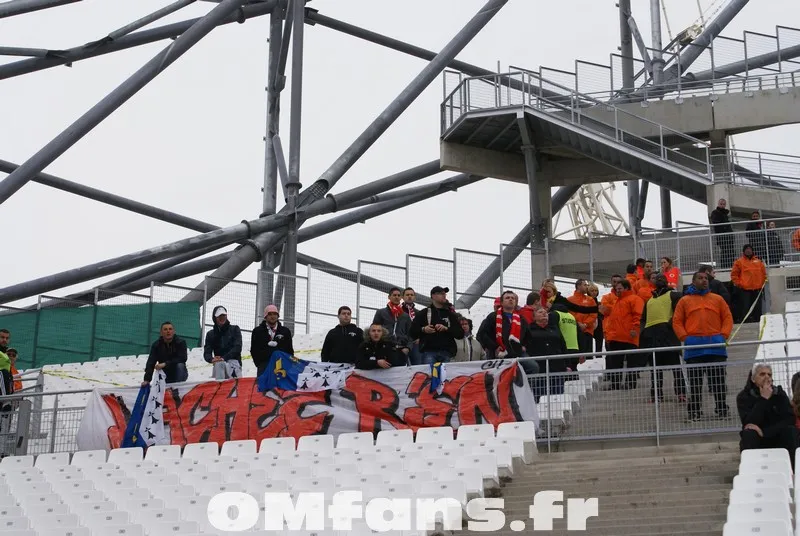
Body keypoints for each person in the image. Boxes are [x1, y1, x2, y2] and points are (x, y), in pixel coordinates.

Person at [672, 271, 733, 421]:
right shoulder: (684, 301)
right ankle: (695, 411)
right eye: (700, 278)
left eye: (706, 278)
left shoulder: (717, 299)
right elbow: (677, 321)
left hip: (716, 347)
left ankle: (721, 408)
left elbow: (727, 317)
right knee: (695, 383)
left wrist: (723, 335)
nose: (704, 280)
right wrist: (685, 337)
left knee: (718, 381)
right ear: (693, 281)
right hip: (694, 349)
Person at [737, 362, 797, 468]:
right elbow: (749, 422)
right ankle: (750, 470)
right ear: (753, 379)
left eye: (769, 375)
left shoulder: (779, 394)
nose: (766, 377)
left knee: (791, 431)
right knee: (749, 434)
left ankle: (794, 471)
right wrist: (763, 399)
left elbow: (789, 419)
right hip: (757, 439)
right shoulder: (744, 397)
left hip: (776, 435)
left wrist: (765, 432)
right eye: (762, 374)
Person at [639, 275, 686, 403]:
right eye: (656, 278)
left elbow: (679, 311)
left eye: (662, 278)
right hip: (652, 337)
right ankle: (656, 395)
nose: (659, 280)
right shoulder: (649, 301)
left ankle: (681, 393)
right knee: (655, 368)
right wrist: (643, 332)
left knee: (676, 367)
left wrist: (670, 325)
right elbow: (643, 319)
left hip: (668, 335)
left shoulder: (673, 295)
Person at [604, 279, 644, 390]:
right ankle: (616, 384)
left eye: (620, 289)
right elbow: (612, 321)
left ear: (626, 288)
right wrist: (609, 335)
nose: (617, 291)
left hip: (629, 336)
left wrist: (635, 329)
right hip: (616, 337)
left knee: (631, 361)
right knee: (616, 362)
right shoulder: (618, 301)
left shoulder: (634, 299)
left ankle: (630, 383)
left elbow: (637, 315)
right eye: (616, 289)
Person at [409, 286, 464, 365]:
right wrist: (424, 329)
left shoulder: (451, 315)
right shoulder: (423, 313)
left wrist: (446, 329)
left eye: (444, 294)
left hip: (447, 352)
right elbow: (412, 332)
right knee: (429, 376)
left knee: (446, 376)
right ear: (433, 296)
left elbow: (460, 334)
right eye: (441, 293)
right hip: (429, 352)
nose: (444, 295)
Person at [477, 291, 533, 360]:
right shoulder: (493, 316)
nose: (510, 299)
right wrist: (494, 347)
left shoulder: (521, 319)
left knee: (533, 366)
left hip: (517, 354)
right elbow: (483, 334)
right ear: (502, 303)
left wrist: (524, 346)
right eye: (507, 298)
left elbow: (528, 336)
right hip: (498, 354)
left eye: (513, 298)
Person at [527, 303, 567, 399]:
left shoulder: (555, 328)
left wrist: (567, 365)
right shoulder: (528, 330)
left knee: (557, 397)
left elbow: (563, 346)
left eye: (546, 312)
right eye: (540, 312)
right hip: (539, 369)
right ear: (534, 316)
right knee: (539, 396)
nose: (544, 314)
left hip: (557, 368)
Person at [251, 305, 294, 377]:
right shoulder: (257, 331)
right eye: (270, 314)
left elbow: (289, 350)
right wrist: (260, 364)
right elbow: (254, 350)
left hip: (282, 366)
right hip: (264, 366)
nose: (272, 316)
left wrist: (287, 365)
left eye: (275, 314)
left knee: (280, 388)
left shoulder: (285, 331)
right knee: (264, 388)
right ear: (265, 316)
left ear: (278, 316)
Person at [372, 287, 413, 360]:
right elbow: (373, 329)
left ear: (401, 298)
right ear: (389, 297)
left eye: (398, 295)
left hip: (401, 349)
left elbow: (410, 334)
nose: (396, 297)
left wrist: (408, 348)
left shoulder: (405, 316)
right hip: (384, 348)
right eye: (394, 295)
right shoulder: (381, 312)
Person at [731, 244, 767, 324]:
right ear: (743, 251)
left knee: (758, 307)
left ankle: (758, 321)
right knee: (745, 307)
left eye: (750, 249)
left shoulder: (758, 262)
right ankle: (745, 322)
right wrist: (740, 284)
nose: (748, 250)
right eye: (746, 249)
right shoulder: (739, 262)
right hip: (745, 289)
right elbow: (734, 275)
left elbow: (764, 274)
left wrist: (762, 283)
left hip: (757, 289)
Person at [204, 306, 243, 379]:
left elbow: (237, 348)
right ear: (215, 318)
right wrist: (212, 359)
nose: (222, 318)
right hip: (219, 365)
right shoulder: (210, 334)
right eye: (219, 316)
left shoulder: (235, 329)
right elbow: (207, 352)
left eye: (224, 315)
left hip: (234, 363)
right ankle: (220, 388)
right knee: (219, 364)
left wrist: (224, 358)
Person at [567, 279, 597, 357]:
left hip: (587, 331)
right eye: (585, 285)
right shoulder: (569, 300)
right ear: (578, 286)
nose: (587, 287)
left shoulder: (590, 300)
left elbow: (593, 314)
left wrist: (586, 324)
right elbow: (569, 314)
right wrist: (578, 324)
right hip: (574, 332)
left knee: (588, 357)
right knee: (576, 356)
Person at [709, 198, 735, 269]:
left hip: (728, 236)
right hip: (722, 236)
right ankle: (725, 267)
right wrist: (724, 228)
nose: (722, 205)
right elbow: (716, 223)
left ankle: (730, 267)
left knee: (730, 252)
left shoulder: (725, 214)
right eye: (721, 204)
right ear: (718, 204)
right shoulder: (715, 212)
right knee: (725, 252)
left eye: (724, 204)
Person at [401, 287, 422, 366]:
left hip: (415, 343)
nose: (409, 296)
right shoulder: (398, 311)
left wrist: (420, 338)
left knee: (417, 366)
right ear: (402, 297)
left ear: (414, 297)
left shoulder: (418, 313)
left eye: (411, 295)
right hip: (402, 342)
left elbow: (422, 327)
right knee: (401, 366)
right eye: (407, 295)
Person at [587, 283, 604, 355]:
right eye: (592, 291)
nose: (594, 292)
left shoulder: (599, 303)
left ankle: (598, 355)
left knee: (599, 340)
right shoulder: (586, 302)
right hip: (589, 323)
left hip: (599, 324)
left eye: (596, 290)